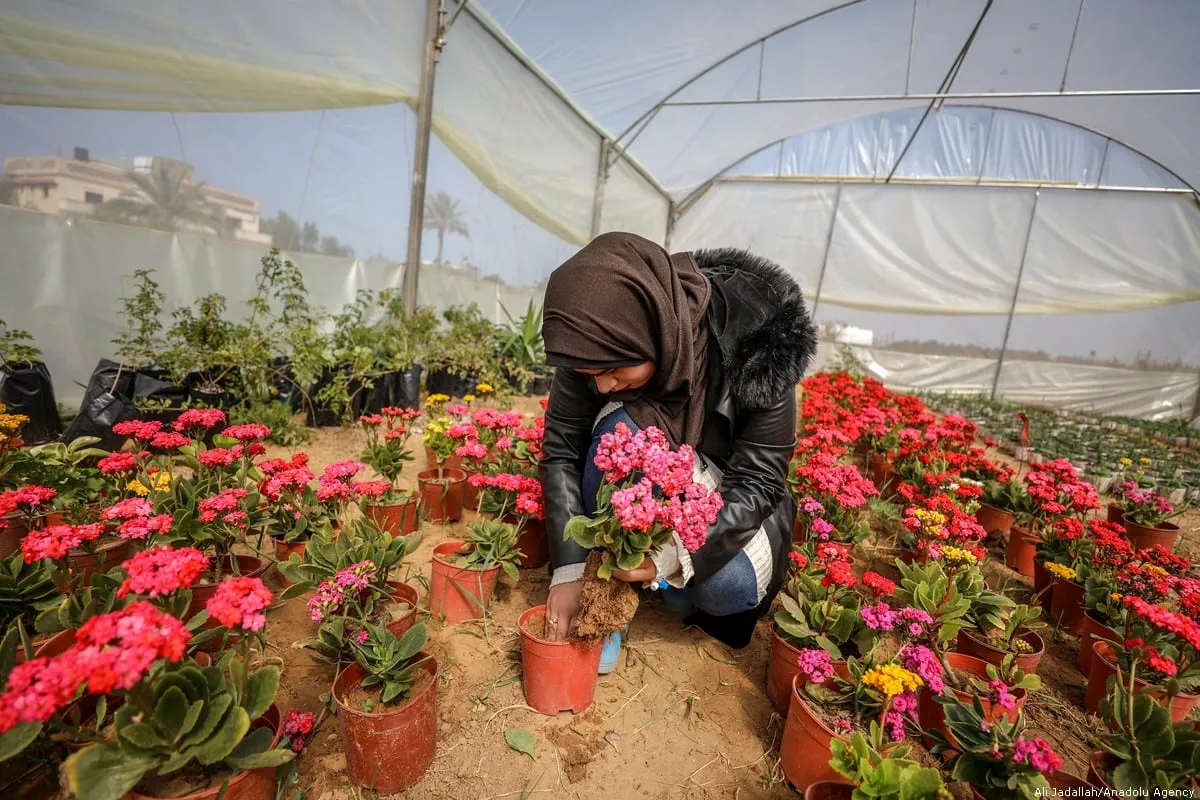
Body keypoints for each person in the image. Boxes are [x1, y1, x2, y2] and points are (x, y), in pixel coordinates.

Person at [538, 231, 818, 650]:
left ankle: (671, 586)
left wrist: (669, 557)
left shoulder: (759, 343)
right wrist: (570, 571)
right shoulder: (594, 340)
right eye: (589, 373)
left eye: (615, 370)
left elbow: (759, 481)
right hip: (660, 479)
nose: (602, 385)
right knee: (620, 428)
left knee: (724, 586)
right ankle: (616, 587)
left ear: (651, 331)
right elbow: (561, 449)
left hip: (725, 491)